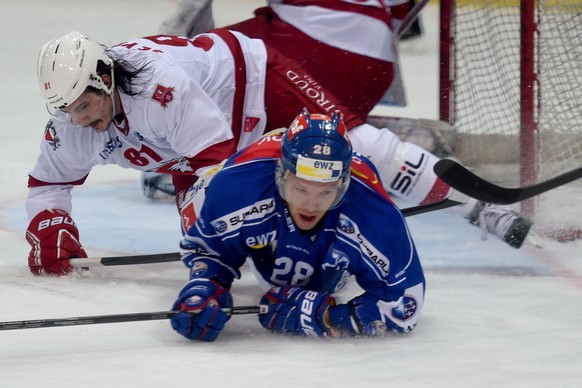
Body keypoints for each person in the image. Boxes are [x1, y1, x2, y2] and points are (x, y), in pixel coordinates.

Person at [27, 0, 530, 276]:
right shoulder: (75, 120)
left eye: (85, 104)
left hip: (261, 80)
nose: (79, 118)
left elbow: (217, 166)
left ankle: (478, 207)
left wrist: (219, 229)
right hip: (197, 146)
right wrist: (51, 226)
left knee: (360, 146)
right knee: (209, 237)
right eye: (69, 110)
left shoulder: (162, 89)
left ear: (106, 79)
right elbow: (47, 182)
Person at [171, 110, 425, 340]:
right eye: (301, 188)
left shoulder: (371, 210)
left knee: (328, 273)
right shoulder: (238, 183)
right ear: (280, 173)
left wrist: (328, 318)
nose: (311, 205)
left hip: (326, 257)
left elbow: (405, 304)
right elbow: (208, 250)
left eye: (326, 192)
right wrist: (206, 283)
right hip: (241, 194)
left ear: (344, 185)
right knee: (204, 199)